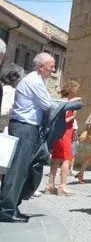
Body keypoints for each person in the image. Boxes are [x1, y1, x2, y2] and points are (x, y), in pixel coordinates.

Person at [0, 53, 59, 223]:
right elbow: (48, 105)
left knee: (20, 169)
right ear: (41, 67)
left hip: (25, 127)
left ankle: (11, 206)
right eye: (51, 66)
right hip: (25, 127)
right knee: (17, 170)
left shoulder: (35, 80)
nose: (53, 70)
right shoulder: (35, 81)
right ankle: (7, 209)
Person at [47, 80, 81, 196]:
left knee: (56, 158)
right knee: (67, 159)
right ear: (71, 91)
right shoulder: (68, 104)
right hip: (65, 132)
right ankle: (62, 185)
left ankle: (50, 185)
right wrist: (73, 117)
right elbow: (64, 119)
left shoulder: (59, 101)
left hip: (59, 133)